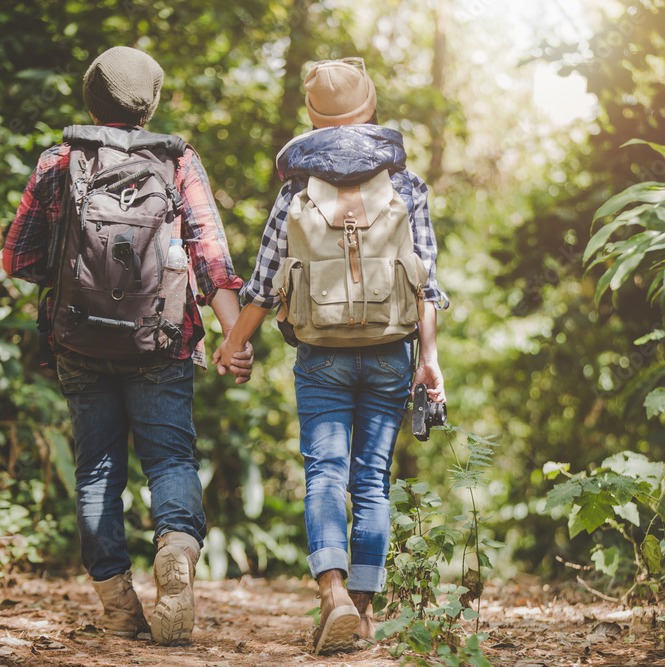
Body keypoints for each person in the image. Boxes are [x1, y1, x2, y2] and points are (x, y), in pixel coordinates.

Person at [3, 46, 250, 645]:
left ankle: (117, 604)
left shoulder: (59, 160)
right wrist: (233, 338)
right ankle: (178, 550)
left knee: (97, 473)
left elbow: (18, 258)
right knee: (169, 459)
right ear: (151, 104)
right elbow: (210, 256)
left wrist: (78, 281)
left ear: (91, 97)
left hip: (79, 341)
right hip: (162, 342)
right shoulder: (178, 161)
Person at [213, 57, 448, 654]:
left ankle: (333, 595)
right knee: (371, 480)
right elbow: (426, 284)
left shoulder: (296, 191)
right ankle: (364, 615)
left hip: (320, 356)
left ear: (312, 120)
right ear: (370, 110)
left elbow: (264, 289)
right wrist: (430, 358)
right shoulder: (408, 187)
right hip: (392, 350)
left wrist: (232, 343)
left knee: (324, 473)